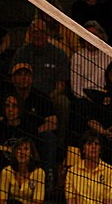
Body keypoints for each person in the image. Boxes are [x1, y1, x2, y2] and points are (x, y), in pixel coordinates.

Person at [11, 18, 70, 147]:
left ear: (47, 33)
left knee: (63, 102)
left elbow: (61, 85)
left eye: (41, 32)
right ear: (30, 34)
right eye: (35, 32)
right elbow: (13, 79)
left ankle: (60, 147)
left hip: (49, 97)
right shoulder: (21, 53)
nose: (38, 35)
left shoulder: (59, 54)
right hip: (25, 95)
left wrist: (44, 99)